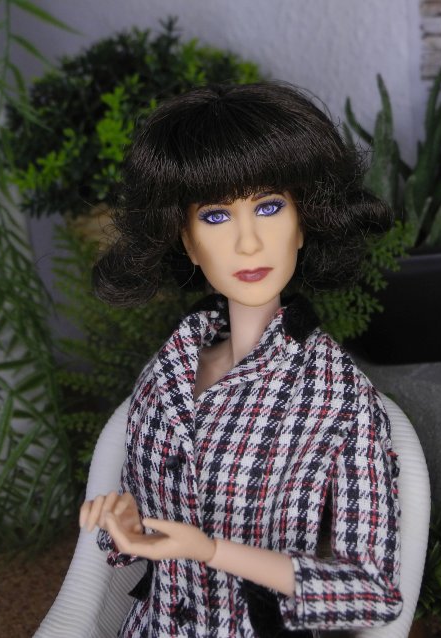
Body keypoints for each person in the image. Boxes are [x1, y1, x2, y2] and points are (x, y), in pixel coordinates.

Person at [78, 82, 402, 637]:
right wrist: (124, 524)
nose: (248, 243)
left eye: (269, 207)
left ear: (304, 222)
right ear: (186, 239)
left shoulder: (337, 396)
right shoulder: (167, 373)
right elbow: (134, 542)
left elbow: (372, 592)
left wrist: (210, 550)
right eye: (215, 216)